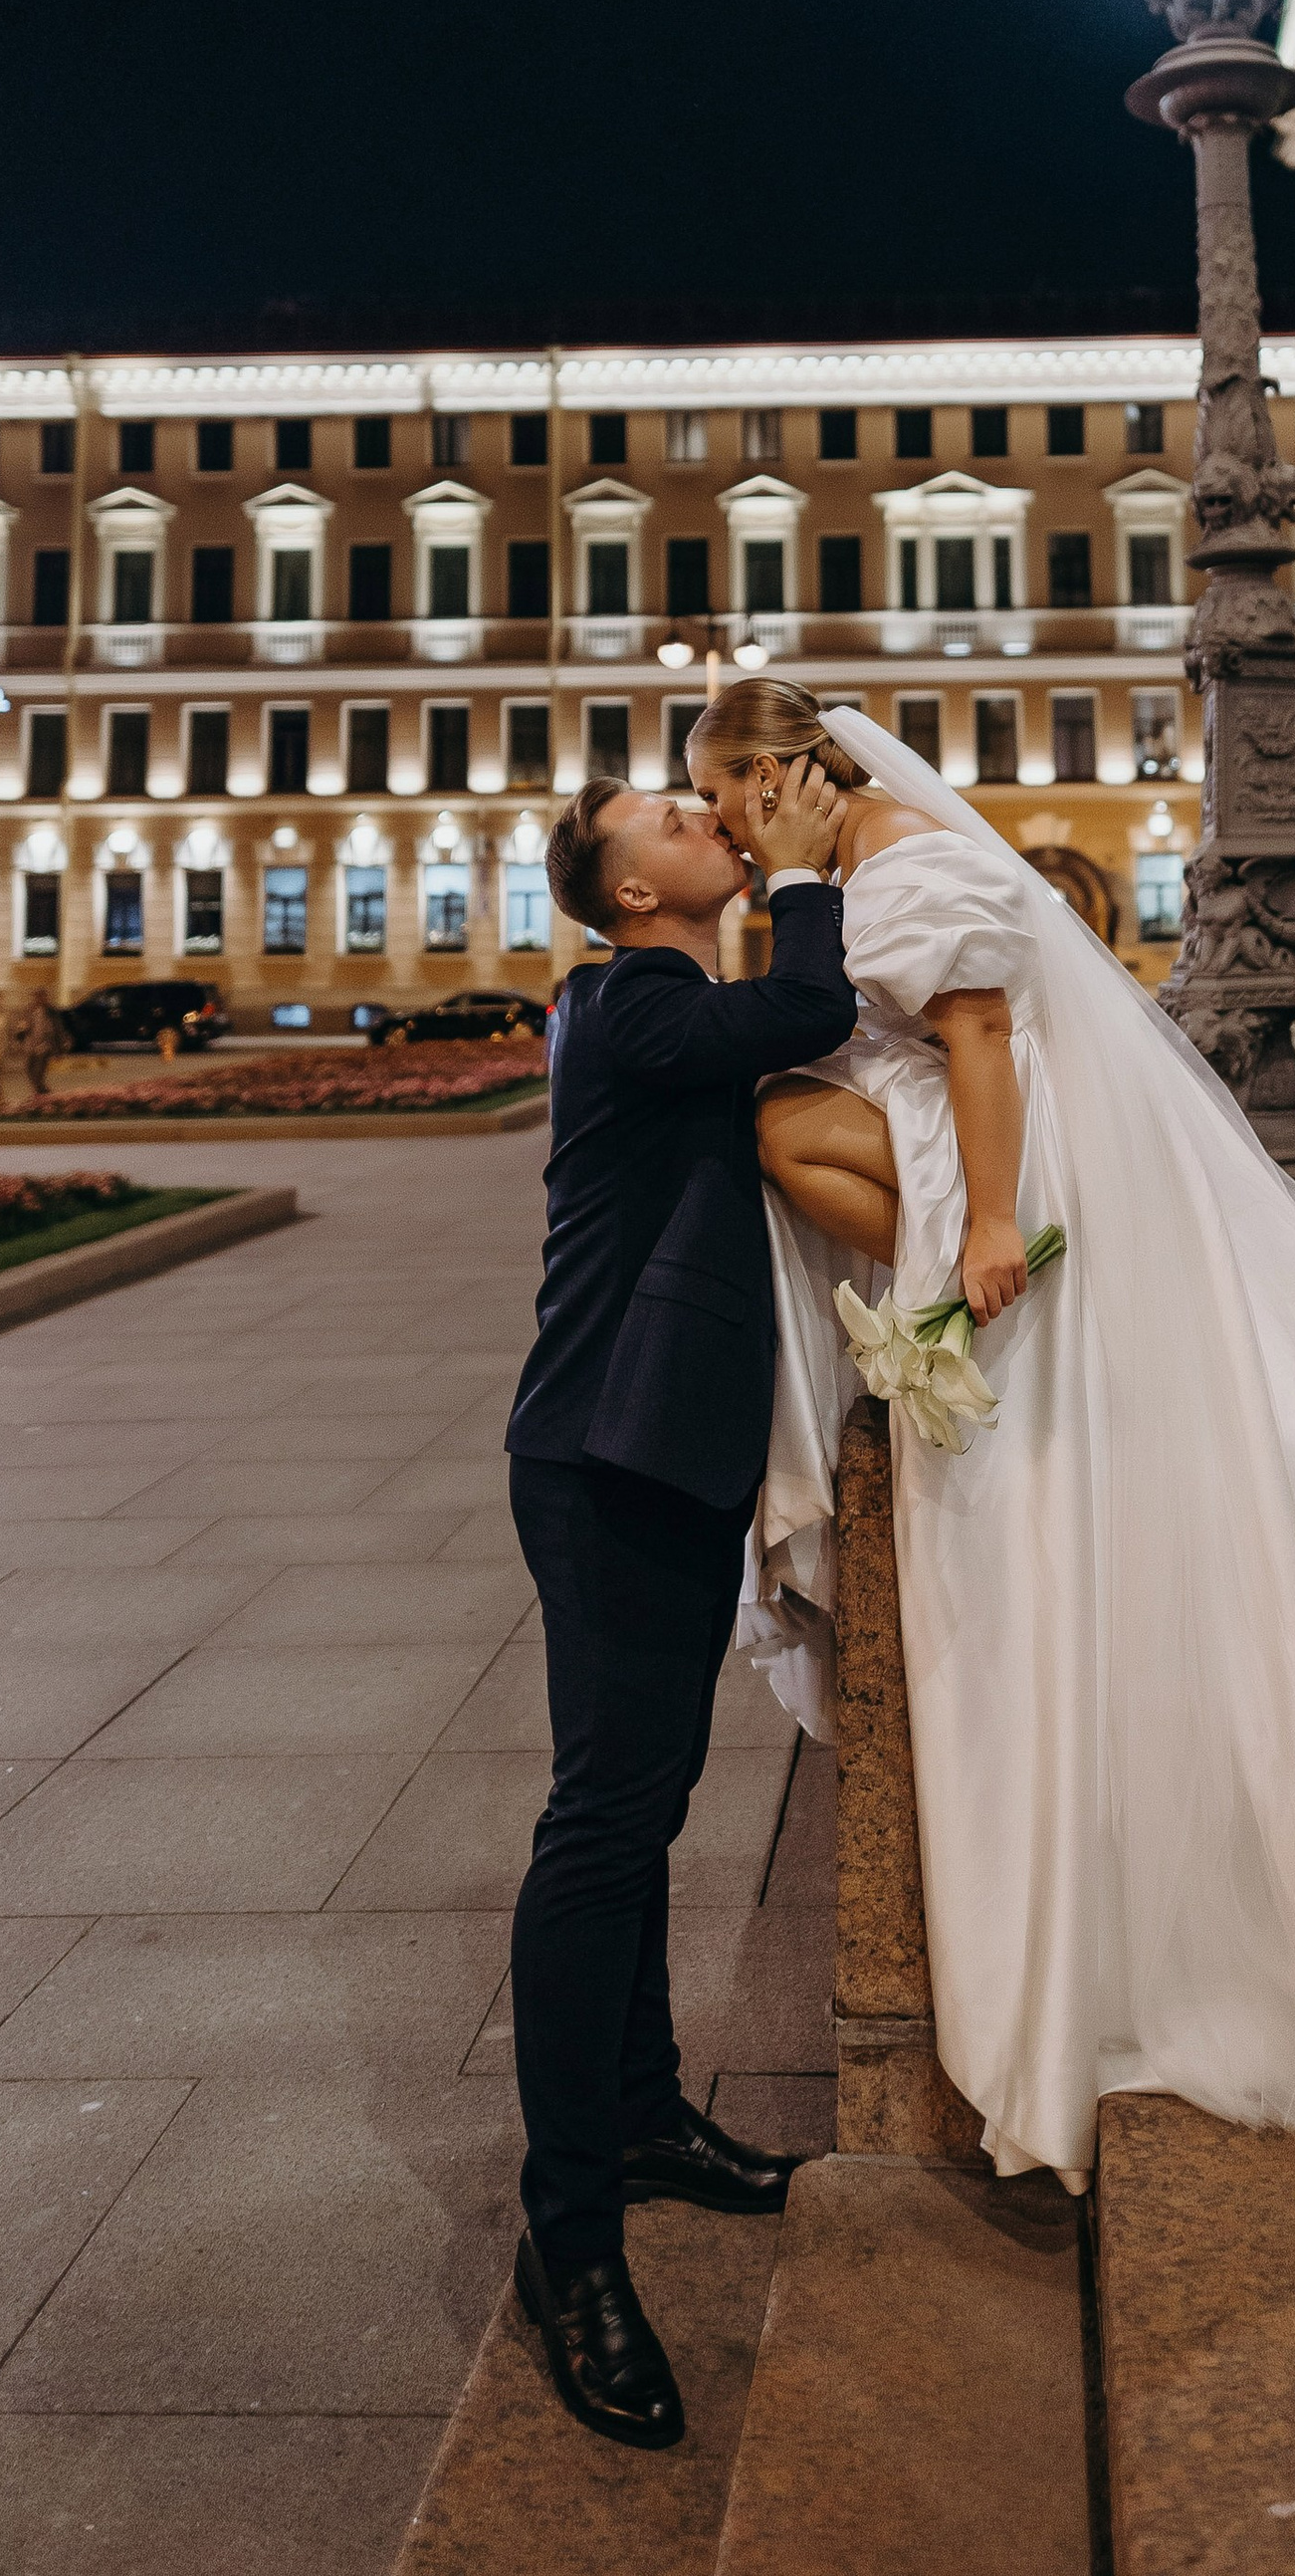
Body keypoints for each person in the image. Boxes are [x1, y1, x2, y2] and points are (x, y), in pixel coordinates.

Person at [685, 676, 1295, 2198]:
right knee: (780, 1120)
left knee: (779, 1129)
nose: (729, 839)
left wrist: (992, 1220)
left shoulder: (913, 862)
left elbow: (983, 1041)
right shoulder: (849, 867)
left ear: (782, 776)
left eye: (729, 804)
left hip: (1015, 1162)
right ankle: (928, 1292)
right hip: (965, 1147)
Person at [501, 753, 857, 2451]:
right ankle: (567, 2235)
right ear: (633, 888)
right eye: (670, 817)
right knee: (603, 1819)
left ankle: (641, 2114)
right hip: (603, 1463)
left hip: (649, 1453)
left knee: (646, 1805)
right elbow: (809, 1004)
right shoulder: (636, 997)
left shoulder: (643, 999)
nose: (701, 815)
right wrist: (800, 870)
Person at [14, 988, 60, 1107]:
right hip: (30, 1046)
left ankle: (39, 1095)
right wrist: (21, 1032)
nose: (40, 999)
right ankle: (42, 1091)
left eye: (42, 996)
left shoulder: (51, 1011)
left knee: (39, 1071)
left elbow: (58, 1029)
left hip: (44, 1046)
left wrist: (58, 1047)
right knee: (28, 1068)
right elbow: (20, 1026)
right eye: (37, 997)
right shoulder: (29, 1010)